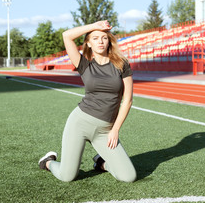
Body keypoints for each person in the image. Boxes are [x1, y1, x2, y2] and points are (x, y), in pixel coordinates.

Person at [38, 20, 136, 182]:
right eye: (95, 38)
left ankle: (101, 163)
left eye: (104, 38)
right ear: (88, 43)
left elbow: (128, 100)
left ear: (109, 41)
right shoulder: (84, 64)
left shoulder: (121, 64)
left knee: (129, 177)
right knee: (67, 176)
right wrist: (94, 26)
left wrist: (116, 129)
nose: (100, 41)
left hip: (106, 130)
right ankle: (48, 162)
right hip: (80, 123)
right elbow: (66, 36)